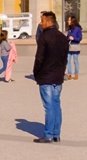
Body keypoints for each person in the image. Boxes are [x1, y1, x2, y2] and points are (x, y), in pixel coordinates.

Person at [31, 10, 68, 142]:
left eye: (42, 21)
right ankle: (56, 134)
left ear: (48, 21)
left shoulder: (44, 38)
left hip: (46, 77)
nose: (40, 24)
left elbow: (39, 58)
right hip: (58, 77)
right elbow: (65, 59)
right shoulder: (63, 38)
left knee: (49, 107)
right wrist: (61, 72)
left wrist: (36, 74)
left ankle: (48, 135)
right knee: (56, 105)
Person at [65, 15, 83, 81]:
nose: (68, 21)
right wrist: (67, 39)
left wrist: (74, 38)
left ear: (72, 21)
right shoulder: (69, 28)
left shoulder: (78, 28)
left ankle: (76, 74)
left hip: (75, 46)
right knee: (68, 61)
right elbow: (67, 36)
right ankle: (69, 74)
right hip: (69, 47)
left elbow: (80, 38)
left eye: (69, 20)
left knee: (75, 61)